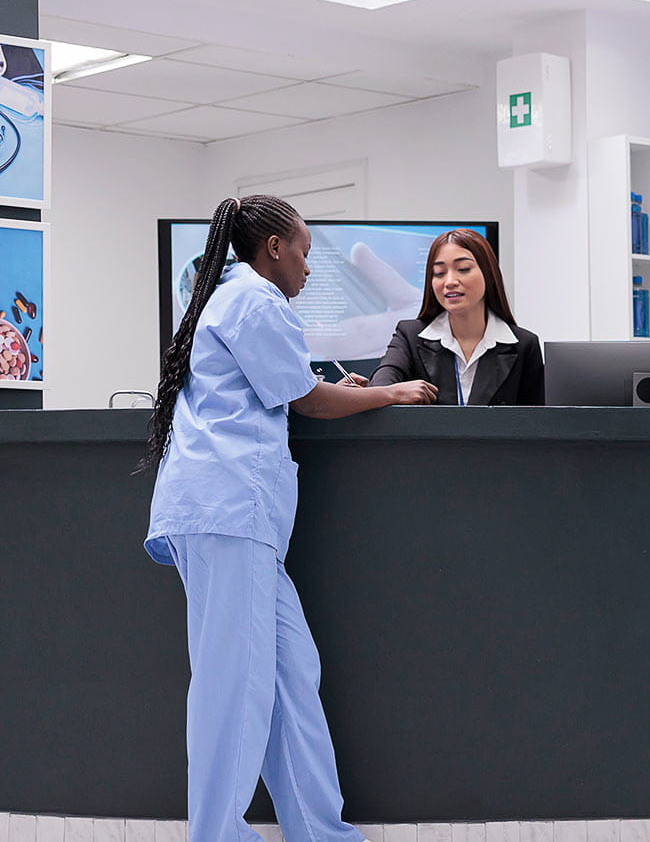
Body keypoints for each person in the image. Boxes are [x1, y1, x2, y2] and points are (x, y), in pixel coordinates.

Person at [139, 195, 436, 842]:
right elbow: (306, 400)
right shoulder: (254, 299)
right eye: (303, 251)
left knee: (289, 675)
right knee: (234, 686)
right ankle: (215, 836)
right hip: (228, 513)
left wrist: (346, 390)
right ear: (273, 247)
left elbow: (288, 385)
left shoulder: (232, 296)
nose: (308, 266)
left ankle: (321, 833)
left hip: (230, 518)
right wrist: (390, 390)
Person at [368, 228, 543, 405]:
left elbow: (535, 423)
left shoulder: (525, 345)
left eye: (463, 269)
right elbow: (381, 386)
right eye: (439, 273)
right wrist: (394, 392)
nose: (450, 281)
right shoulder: (410, 335)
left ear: (488, 274)